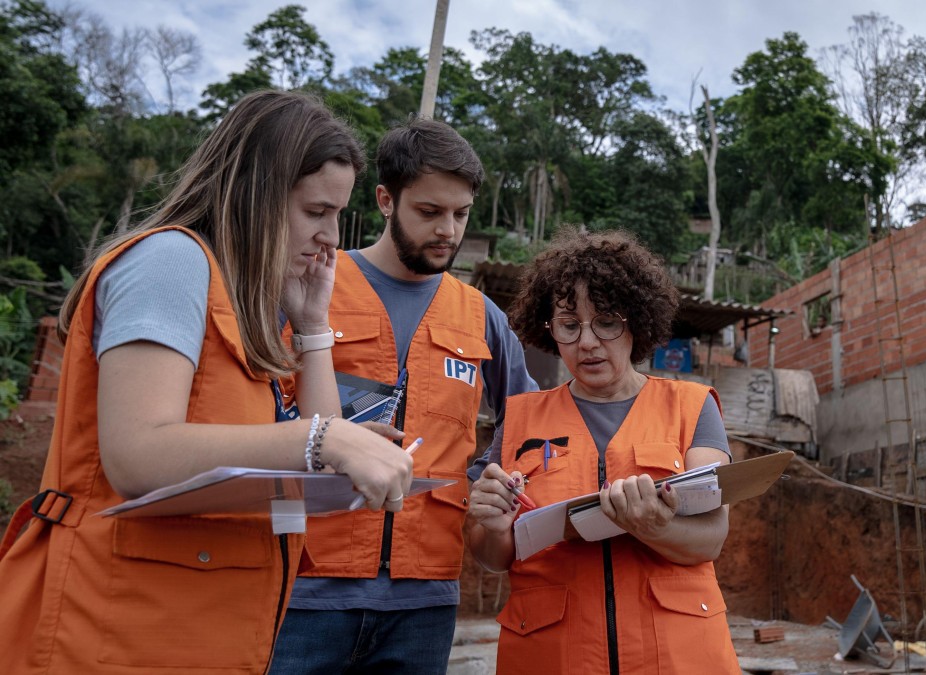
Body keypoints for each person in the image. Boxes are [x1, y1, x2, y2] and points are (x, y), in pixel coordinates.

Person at [0, 90, 414, 674]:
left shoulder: (243, 303)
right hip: (113, 633)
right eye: (316, 211)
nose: (332, 237)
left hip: (190, 633)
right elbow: (138, 454)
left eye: (338, 215)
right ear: (256, 194)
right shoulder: (171, 261)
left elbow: (312, 463)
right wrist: (327, 440)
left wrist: (314, 328)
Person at [269, 118, 538, 674]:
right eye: (429, 212)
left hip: (425, 600)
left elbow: (533, 420)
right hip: (302, 587)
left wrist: (488, 475)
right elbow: (247, 409)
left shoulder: (479, 314)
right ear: (386, 200)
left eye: (461, 214)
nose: (448, 230)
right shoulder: (306, 284)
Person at [466, 229, 741, 673]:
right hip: (551, 657)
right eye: (569, 325)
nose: (587, 342)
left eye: (607, 322)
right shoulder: (520, 419)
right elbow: (490, 556)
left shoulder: (692, 407)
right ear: (549, 327)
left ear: (637, 321)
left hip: (676, 657)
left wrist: (653, 527)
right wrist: (491, 525)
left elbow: (710, 538)